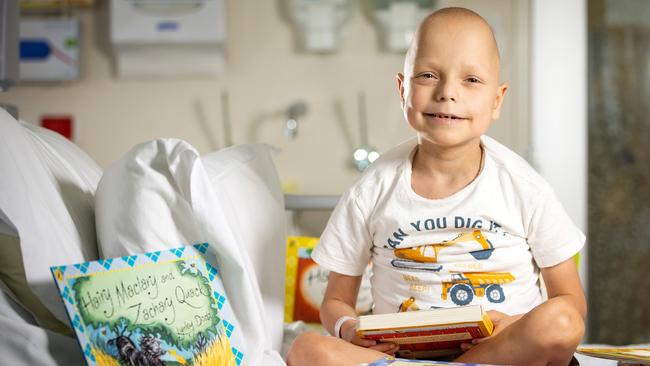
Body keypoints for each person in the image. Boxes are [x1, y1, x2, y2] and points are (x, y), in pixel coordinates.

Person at [286, 6, 586, 366]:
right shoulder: (372, 190)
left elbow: (571, 301)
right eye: (428, 75)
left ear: (497, 100)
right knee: (306, 349)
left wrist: (515, 324)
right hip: (404, 358)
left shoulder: (523, 186)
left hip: (500, 353)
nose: (447, 92)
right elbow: (334, 301)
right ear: (402, 90)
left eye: (471, 80)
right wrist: (349, 329)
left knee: (562, 322)